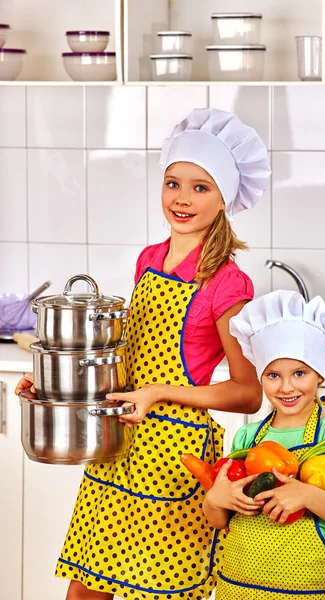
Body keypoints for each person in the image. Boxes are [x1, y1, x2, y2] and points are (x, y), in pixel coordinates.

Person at [15, 107, 271, 600]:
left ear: (225, 199)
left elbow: (246, 393)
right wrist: (52, 388)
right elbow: (124, 359)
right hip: (116, 447)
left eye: (201, 188)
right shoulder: (149, 259)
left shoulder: (228, 282)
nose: (182, 198)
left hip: (173, 461)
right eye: (174, 183)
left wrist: (157, 393)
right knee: (84, 591)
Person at [203, 290, 325, 599]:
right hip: (235, 586)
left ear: (319, 374)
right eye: (273, 375)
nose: (286, 387)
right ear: (261, 377)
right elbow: (217, 520)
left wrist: (306, 494)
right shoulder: (247, 438)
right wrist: (216, 499)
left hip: (302, 589)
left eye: (299, 373)